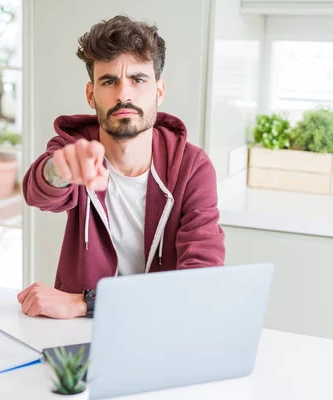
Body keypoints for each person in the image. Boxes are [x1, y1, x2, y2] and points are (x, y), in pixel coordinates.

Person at [17, 15, 225, 319]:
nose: (123, 94)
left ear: (159, 90)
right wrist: (58, 172)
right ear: (91, 95)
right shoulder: (75, 152)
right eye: (109, 81)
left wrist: (83, 303)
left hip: (162, 325)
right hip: (80, 332)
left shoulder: (192, 168)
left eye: (138, 79)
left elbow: (200, 282)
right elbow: (38, 191)